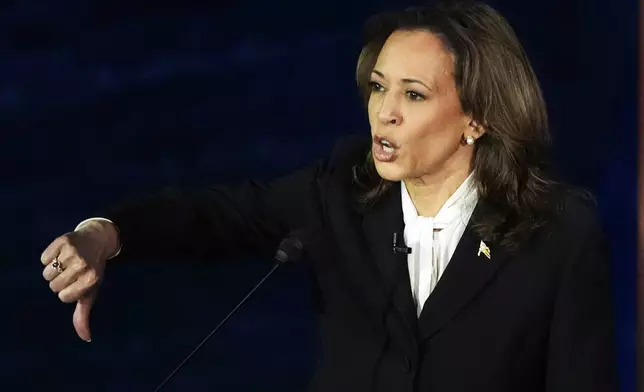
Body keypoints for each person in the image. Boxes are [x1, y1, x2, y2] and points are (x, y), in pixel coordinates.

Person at [40, 1, 619, 391]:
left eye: (413, 95)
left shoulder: (557, 232)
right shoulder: (342, 191)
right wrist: (103, 233)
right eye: (377, 87)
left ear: (477, 118)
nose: (383, 113)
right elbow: (215, 215)